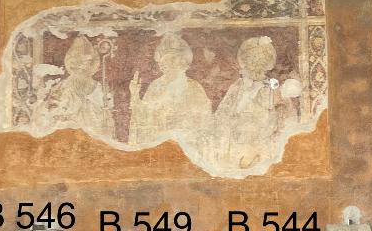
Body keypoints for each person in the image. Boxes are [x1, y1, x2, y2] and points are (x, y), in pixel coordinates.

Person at [208, 36, 301, 174]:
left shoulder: (272, 86)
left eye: (260, 60)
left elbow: (286, 113)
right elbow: (223, 113)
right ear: (245, 62)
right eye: (252, 60)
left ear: (267, 64)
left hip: (263, 140)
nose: (255, 64)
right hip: (237, 141)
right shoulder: (238, 86)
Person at [128, 32, 211, 147]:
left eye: (172, 59)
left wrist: (178, 120)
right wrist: (135, 96)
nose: (166, 63)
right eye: (164, 59)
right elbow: (144, 119)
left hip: (184, 144)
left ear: (183, 61)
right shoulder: (155, 86)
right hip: (158, 143)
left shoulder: (193, 87)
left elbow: (203, 121)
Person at [32, 33, 113, 137]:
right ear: (74, 63)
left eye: (87, 63)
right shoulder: (64, 84)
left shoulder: (96, 85)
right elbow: (56, 104)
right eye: (80, 63)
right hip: (69, 124)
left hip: (90, 124)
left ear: (91, 65)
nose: (83, 66)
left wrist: (102, 103)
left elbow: (102, 105)